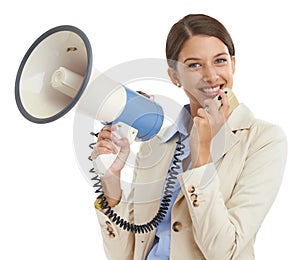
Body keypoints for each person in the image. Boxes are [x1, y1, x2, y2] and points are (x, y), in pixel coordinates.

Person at [92, 14, 287, 260]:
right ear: (174, 76)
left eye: (220, 61)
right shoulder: (157, 144)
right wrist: (111, 182)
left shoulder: (264, 140)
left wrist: (202, 157)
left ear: (233, 65)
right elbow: (124, 255)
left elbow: (225, 252)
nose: (211, 76)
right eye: (194, 65)